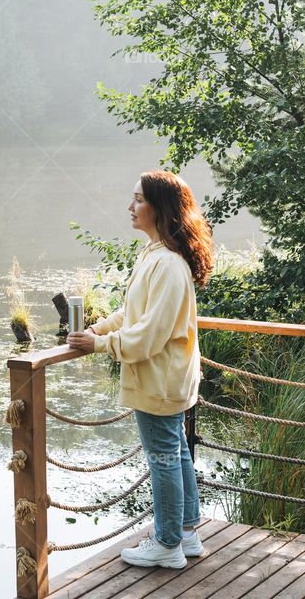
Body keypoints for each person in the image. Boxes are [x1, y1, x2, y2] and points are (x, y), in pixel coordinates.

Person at [66, 169, 214, 569]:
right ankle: (185, 532)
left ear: (160, 208)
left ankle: (167, 544)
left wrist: (99, 344)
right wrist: (99, 328)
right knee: (176, 452)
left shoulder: (167, 264)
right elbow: (133, 311)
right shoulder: (155, 254)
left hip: (160, 378)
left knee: (163, 457)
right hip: (169, 377)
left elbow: (149, 334)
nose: (129, 207)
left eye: (138, 200)